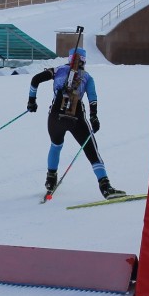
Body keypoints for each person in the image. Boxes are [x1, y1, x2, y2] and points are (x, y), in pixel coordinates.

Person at [27, 47, 125, 199]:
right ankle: (105, 187)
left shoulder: (57, 70)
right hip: (76, 118)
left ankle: (50, 180)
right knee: (92, 151)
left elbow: (35, 80)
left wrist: (31, 101)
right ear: (84, 61)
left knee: (56, 146)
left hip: (55, 117)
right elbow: (92, 98)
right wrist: (94, 117)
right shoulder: (87, 77)